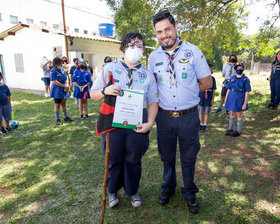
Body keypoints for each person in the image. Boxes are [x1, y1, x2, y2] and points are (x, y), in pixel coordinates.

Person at [148, 10, 212, 214]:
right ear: (156, 34)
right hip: (164, 118)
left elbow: (207, 82)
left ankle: (190, 192)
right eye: (159, 31)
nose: (164, 35)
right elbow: (152, 88)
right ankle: (168, 187)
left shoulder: (192, 51)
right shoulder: (153, 57)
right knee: (166, 157)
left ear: (175, 28)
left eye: (167, 29)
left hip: (188, 116)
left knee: (189, 158)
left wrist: (186, 92)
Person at [91, 32, 158, 208]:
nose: (135, 48)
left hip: (137, 121)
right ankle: (112, 190)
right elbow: (93, 94)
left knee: (133, 158)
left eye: (139, 46)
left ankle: (132, 190)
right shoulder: (109, 68)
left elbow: (152, 103)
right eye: (131, 45)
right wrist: (105, 91)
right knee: (113, 157)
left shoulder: (148, 75)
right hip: (113, 120)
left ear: (143, 50)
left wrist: (150, 123)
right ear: (123, 47)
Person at [224, 63, 251, 137]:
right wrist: (226, 100)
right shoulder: (232, 78)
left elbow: (247, 91)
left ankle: (238, 131)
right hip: (231, 98)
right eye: (238, 68)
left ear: (243, 69)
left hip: (240, 98)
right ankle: (230, 129)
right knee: (232, 114)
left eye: (241, 68)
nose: (239, 69)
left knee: (239, 115)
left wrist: (245, 103)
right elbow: (228, 89)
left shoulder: (245, 79)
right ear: (235, 69)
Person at [50, 57, 74, 125]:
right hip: (57, 90)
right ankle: (57, 119)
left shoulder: (62, 70)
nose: (61, 65)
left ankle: (65, 117)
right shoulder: (53, 71)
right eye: (60, 64)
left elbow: (66, 78)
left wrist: (66, 85)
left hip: (64, 90)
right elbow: (55, 81)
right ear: (55, 64)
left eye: (61, 63)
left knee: (63, 104)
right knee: (57, 104)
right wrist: (64, 86)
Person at [198, 63, 216, 132]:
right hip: (201, 97)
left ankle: (205, 124)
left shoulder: (212, 79)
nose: (210, 70)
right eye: (208, 68)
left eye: (211, 69)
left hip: (208, 97)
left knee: (207, 111)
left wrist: (212, 98)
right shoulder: (200, 78)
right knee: (200, 111)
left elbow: (214, 89)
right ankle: (201, 123)